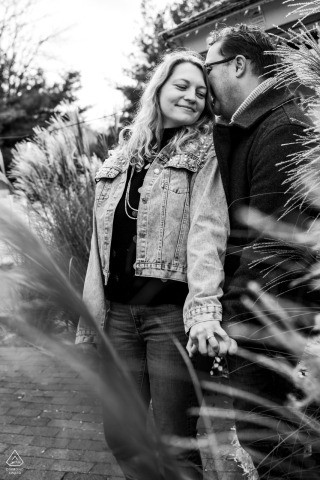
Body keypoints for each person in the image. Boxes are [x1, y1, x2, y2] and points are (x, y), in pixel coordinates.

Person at [75, 50, 236, 480]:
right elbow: (98, 247)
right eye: (181, 86)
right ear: (159, 89)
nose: (191, 97)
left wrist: (204, 310)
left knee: (175, 446)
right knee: (122, 435)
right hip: (119, 319)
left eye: (201, 92)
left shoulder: (206, 152)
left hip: (170, 320)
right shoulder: (120, 158)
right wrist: (93, 315)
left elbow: (207, 232)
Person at [199, 23, 315, 479]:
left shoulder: (282, 125)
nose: (204, 81)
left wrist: (230, 321)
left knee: (276, 454)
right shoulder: (259, 124)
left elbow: (274, 245)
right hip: (264, 320)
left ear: (239, 65)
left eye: (208, 67)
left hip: (269, 325)